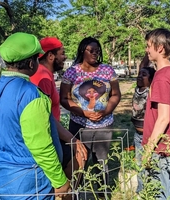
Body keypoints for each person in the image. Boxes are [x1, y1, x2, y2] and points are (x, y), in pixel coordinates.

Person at [0, 32, 70, 200]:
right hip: (27, 182)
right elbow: (41, 146)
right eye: (36, 58)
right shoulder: (32, 95)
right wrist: (60, 181)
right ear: (31, 63)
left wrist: (1, 153)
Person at [60, 36, 121, 198]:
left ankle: (102, 193)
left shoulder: (108, 70)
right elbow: (64, 99)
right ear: (82, 51)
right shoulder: (72, 72)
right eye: (91, 50)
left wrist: (106, 111)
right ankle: (76, 193)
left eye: (97, 51)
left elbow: (116, 95)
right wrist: (84, 113)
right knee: (79, 161)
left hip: (104, 126)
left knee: (102, 162)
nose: (95, 53)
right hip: (79, 126)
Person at [30, 37, 87, 181]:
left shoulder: (45, 74)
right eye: (62, 53)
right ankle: (67, 194)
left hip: (54, 132)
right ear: (50, 56)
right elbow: (43, 114)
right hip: (47, 136)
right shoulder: (41, 77)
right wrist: (72, 139)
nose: (65, 57)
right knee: (79, 156)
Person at [142, 28, 170, 199]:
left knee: (161, 195)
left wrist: (148, 151)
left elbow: (163, 118)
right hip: (167, 147)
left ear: (160, 48)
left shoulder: (162, 77)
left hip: (159, 149)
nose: (147, 49)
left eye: (149, 46)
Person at [131, 66, 155, 193]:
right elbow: (142, 65)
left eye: (144, 74)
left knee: (151, 163)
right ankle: (141, 191)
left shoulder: (150, 91)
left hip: (149, 135)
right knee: (140, 164)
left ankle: (152, 189)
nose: (140, 76)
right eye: (139, 73)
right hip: (138, 135)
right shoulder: (137, 89)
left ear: (151, 79)